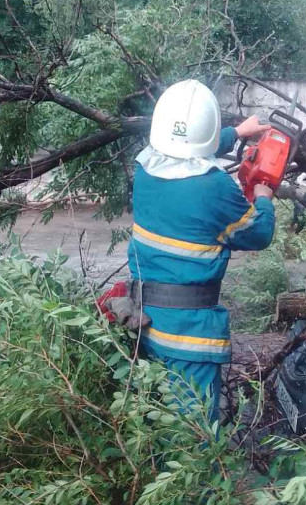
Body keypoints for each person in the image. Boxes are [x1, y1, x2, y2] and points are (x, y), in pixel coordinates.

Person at [118, 79, 276, 423]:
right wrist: (263, 196)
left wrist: (236, 133)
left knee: (155, 422)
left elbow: (184, 149)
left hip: (145, 321)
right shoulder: (213, 187)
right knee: (194, 438)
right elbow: (259, 234)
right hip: (187, 334)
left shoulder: (144, 166)